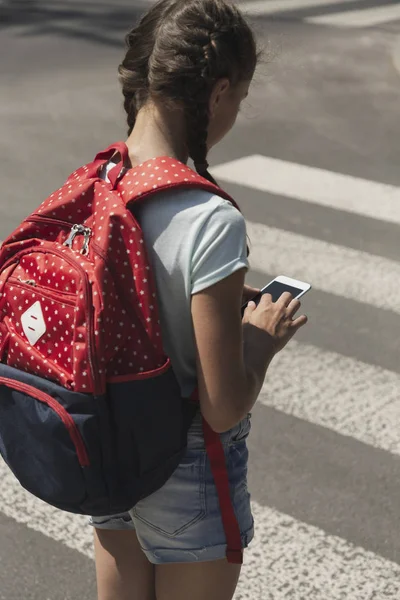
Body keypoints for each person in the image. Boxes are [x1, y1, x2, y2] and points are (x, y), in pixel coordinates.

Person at [89, 1, 308, 599]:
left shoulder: (98, 183)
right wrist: (259, 341)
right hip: (184, 469)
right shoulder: (208, 219)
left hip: (109, 454)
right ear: (217, 93)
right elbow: (221, 406)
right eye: (238, 99)